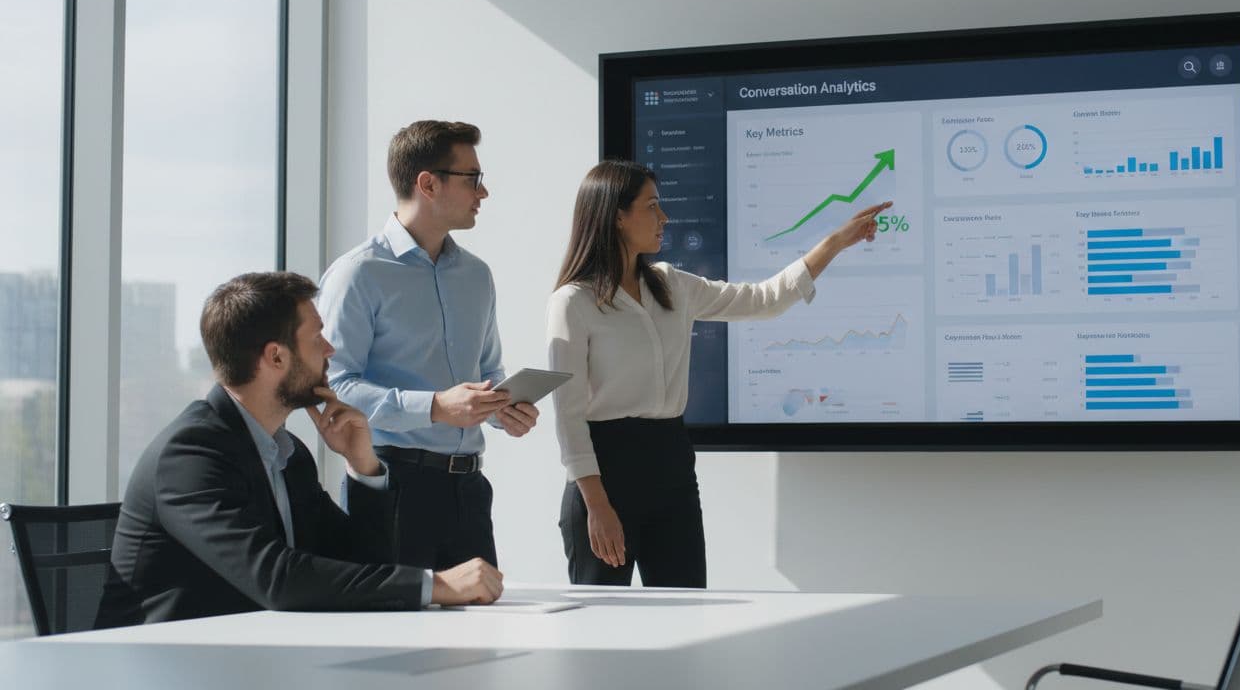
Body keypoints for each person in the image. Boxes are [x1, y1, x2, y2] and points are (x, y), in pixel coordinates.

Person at [546, 159, 889, 586]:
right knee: (600, 628)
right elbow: (568, 414)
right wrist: (595, 504)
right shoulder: (573, 302)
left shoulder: (672, 284)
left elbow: (765, 299)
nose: (664, 217)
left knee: (687, 615)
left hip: (671, 465)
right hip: (604, 473)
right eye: (652, 206)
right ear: (617, 216)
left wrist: (835, 243)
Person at [96, 272, 503, 628]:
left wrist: (362, 466)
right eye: (316, 338)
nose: (330, 351)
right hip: (165, 667)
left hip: (250, 658)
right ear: (276, 356)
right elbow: (275, 578)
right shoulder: (189, 455)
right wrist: (438, 585)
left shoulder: (287, 452)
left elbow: (361, 564)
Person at [317, 120, 539, 571]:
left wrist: (502, 409)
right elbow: (333, 386)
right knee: (394, 630)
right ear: (428, 183)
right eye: (473, 178)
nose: (484, 192)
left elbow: (487, 370)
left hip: (470, 491)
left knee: (478, 632)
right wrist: (435, 407)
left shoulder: (476, 275)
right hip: (392, 486)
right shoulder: (358, 274)